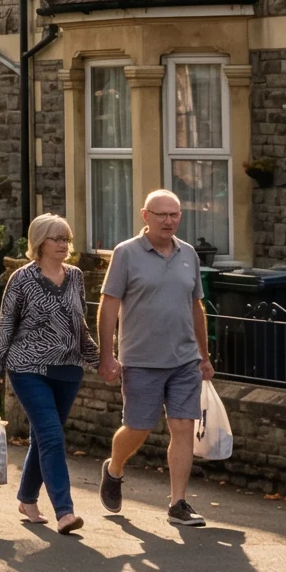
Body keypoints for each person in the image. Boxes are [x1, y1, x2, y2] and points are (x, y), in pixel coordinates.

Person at [98, 188, 215, 527]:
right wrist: (107, 355)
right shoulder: (126, 253)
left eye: (174, 214)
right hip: (141, 360)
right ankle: (114, 468)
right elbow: (109, 305)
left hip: (184, 360)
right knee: (139, 427)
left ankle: (178, 503)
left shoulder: (188, 254)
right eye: (161, 214)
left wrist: (204, 356)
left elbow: (196, 306)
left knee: (183, 426)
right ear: (145, 216)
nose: (168, 221)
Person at [0, 212, 95, 534]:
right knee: (52, 436)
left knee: (44, 436)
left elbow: (80, 326)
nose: (63, 244)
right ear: (39, 242)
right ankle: (65, 512)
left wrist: (102, 361)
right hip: (28, 368)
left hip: (68, 369)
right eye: (56, 238)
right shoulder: (22, 279)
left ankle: (27, 498)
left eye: (66, 239)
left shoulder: (75, 277)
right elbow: (5, 326)